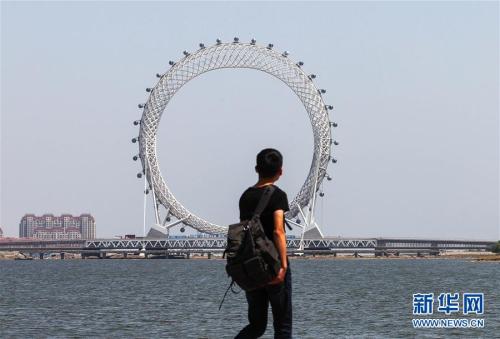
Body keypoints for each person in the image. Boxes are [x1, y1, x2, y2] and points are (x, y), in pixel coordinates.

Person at [235, 148, 292, 339]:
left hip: (251, 266)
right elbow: (278, 231)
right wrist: (283, 266)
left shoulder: (245, 196)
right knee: (282, 326)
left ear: (256, 169)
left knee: (257, 326)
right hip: (274, 264)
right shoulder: (278, 195)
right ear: (280, 171)